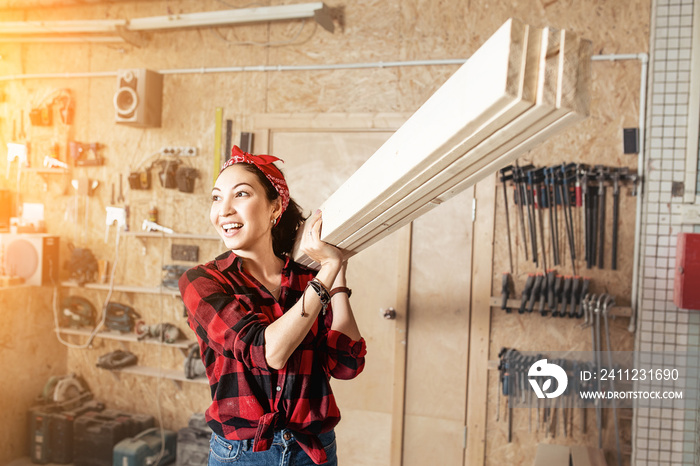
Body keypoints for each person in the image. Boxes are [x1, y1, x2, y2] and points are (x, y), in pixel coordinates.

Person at [179, 146, 366, 466]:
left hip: (313, 451)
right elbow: (266, 352)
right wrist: (325, 277)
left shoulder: (307, 281)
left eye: (240, 194)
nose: (223, 210)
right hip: (242, 455)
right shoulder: (202, 282)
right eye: (215, 197)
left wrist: (337, 278)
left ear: (274, 208)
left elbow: (346, 365)